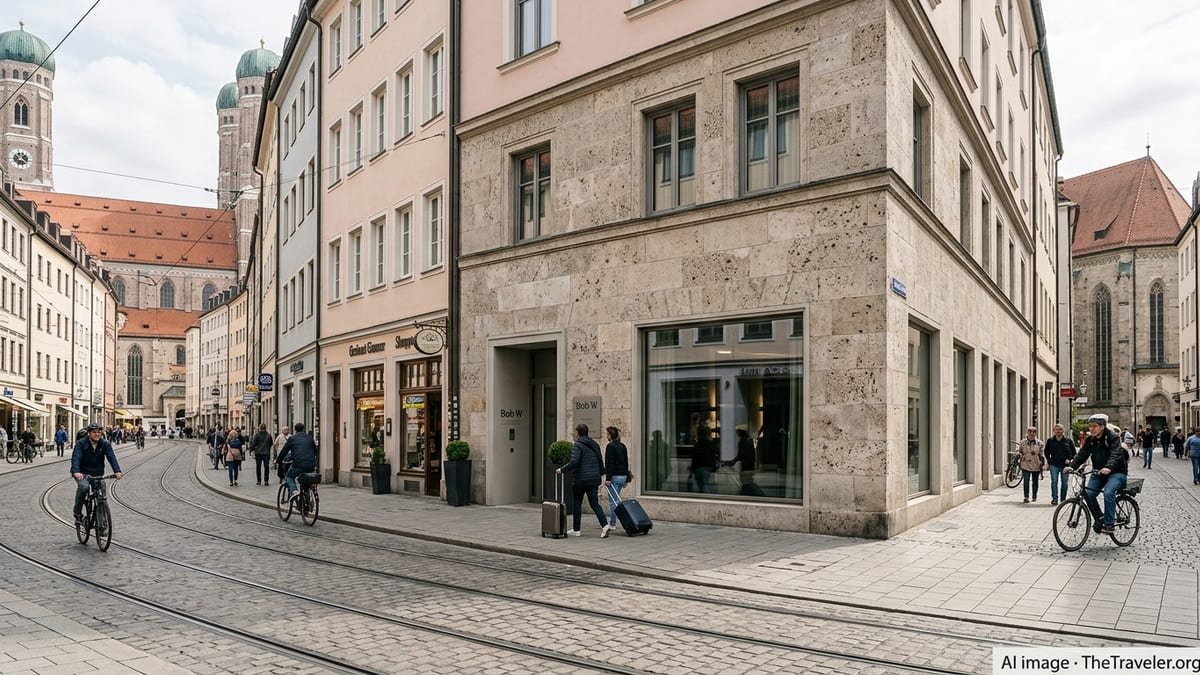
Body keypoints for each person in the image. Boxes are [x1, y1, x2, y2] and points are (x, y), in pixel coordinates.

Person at [1068, 414, 1128, 535]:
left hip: (1116, 472)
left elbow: (1115, 454)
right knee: (1088, 493)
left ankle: (1109, 524)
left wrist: (1108, 467)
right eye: (1090, 426)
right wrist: (1071, 466)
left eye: (1094, 426)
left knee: (1109, 492)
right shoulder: (1090, 440)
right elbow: (1082, 455)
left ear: (1102, 427)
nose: (1091, 429)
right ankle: (1100, 518)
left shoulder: (1113, 437)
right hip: (1099, 472)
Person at [556, 423, 608, 537]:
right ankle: (605, 525)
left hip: (581, 479)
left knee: (577, 503)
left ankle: (576, 529)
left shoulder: (578, 445)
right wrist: (601, 473)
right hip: (594, 478)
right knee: (594, 503)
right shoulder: (594, 444)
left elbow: (574, 462)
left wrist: (562, 469)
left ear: (578, 433)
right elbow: (600, 460)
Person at [70, 423, 123, 525]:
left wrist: (117, 471)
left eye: (99, 432)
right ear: (89, 433)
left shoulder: (105, 444)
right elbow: (76, 458)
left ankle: (101, 522)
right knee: (84, 488)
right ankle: (77, 513)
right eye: (94, 432)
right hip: (82, 473)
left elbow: (111, 457)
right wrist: (76, 472)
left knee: (101, 490)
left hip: (97, 474)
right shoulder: (81, 443)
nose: (97, 434)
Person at [602, 426, 630, 538]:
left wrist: (608, 478)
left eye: (607, 434)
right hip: (623, 475)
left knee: (613, 501)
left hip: (614, 476)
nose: (606, 436)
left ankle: (612, 523)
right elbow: (626, 462)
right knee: (616, 500)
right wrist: (627, 478)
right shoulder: (623, 446)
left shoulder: (610, 446)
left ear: (610, 435)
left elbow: (610, 463)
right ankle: (615, 521)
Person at [280, 422, 317, 500]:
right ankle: (306, 502)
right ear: (304, 429)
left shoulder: (292, 438)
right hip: (310, 464)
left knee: (289, 476)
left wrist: (278, 460)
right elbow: (315, 450)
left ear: (295, 429)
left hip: (298, 464)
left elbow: (284, 451)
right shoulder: (310, 438)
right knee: (306, 480)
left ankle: (294, 491)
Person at [1044, 423, 1076, 506]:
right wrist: (1049, 460)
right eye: (1057, 429)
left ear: (1063, 430)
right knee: (1054, 481)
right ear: (1054, 431)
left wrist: (1069, 460)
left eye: (1060, 429)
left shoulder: (1068, 441)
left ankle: (1063, 499)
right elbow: (1046, 451)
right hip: (1054, 464)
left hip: (1065, 466)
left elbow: (1074, 453)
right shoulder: (1050, 440)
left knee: (1064, 482)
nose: (1058, 431)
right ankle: (1054, 499)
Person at [1018, 426, 1045, 503]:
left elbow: (1042, 455)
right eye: (1030, 431)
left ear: (1036, 433)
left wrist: (1042, 464)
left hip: (1036, 464)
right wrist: (1020, 455)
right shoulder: (1022, 442)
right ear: (1027, 432)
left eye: (1033, 432)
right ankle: (1026, 496)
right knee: (1026, 481)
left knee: (1035, 481)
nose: (1031, 433)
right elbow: (1019, 451)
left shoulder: (1040, 443)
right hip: (1025, 464)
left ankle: (1034, 495)